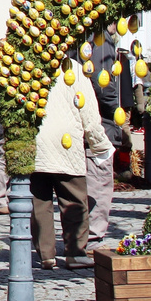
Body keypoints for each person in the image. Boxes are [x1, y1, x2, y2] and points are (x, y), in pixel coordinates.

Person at [31, 59, 110, 270]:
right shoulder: (74, 68)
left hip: (36, 141)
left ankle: (46, 254)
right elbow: (89, 112)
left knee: (40, 202)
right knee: (74, 200)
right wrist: (100, 145)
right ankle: (76, 252)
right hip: (67, 143)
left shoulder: (31, 63)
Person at [86, 28, 134, 255]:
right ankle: (92, 238)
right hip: (101, 123)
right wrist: (118, 107)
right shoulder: (101, 40)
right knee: (99, 182)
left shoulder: (87, 39)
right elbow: (103, 85)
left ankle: (83, 237)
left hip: (90, 121)